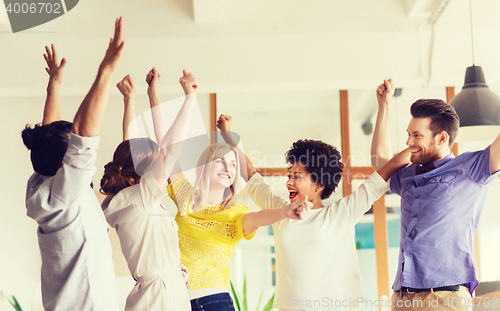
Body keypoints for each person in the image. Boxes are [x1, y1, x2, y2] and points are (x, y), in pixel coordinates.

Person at [218, 115, 411, 311]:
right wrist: (228, 137)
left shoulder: (341, 213)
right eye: (289, 175)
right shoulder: (281, 211)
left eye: (297, 177)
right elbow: (251, 176)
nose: (289, 182)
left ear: (319, 184)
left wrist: (420, 144)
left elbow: (384, 174)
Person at [21, 17, 124, 311]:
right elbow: (82, 135)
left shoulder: (43, 186)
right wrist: (105, 72)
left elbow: (49, 136)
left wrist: (53, 85)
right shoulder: (66, 194)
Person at [372, 79, 500, 310]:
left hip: (444, 298)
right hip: (402, 298)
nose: (409, 142)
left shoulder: (472, 168)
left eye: (417, 136)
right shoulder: (408, 175)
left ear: (442, 138)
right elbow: (380, 163)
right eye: (408, 134)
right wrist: (384, 106)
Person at [165, 113, 313, 311]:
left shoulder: (234, 215)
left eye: (233, 164)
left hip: (213, 302)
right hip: (174, 300)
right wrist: (155, 95)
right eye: (220, 161)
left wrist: (286, 211)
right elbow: (167, 152)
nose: (228, 168)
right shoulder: (185, 196)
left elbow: (257, 218)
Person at [100, 69, 194, 310]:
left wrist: (130, 99)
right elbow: (170, 150)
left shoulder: (124, 199)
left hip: (154, 293)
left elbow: (129, 149)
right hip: (163, 295)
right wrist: (189, 100)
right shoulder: (143, 197)